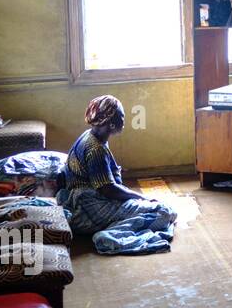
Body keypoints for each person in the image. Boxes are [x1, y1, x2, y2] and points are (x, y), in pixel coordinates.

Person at [57, 95, 176, 255]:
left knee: (150, 208)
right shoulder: (96, 149)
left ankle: (117, 224)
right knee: (165, 212)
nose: (124, 120)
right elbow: (108, 189)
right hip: (91, 208)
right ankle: (109, 235)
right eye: (121, 116)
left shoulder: (89, 136)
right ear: (110, 123)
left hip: (81, 201)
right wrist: (140, 197)